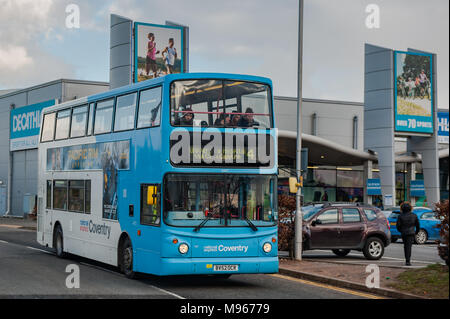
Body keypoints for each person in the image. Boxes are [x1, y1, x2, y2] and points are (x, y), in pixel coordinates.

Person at [396, 202, 420, 266]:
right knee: (409, 246)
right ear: (410, 208)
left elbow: (398, 226)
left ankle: (407, 260)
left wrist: (401, 231)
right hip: (411, 233)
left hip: (404, 233)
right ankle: (408, 261)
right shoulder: (414, 215)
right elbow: (417, 225)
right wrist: (416, 232)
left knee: (406, 246)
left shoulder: (400, 216)